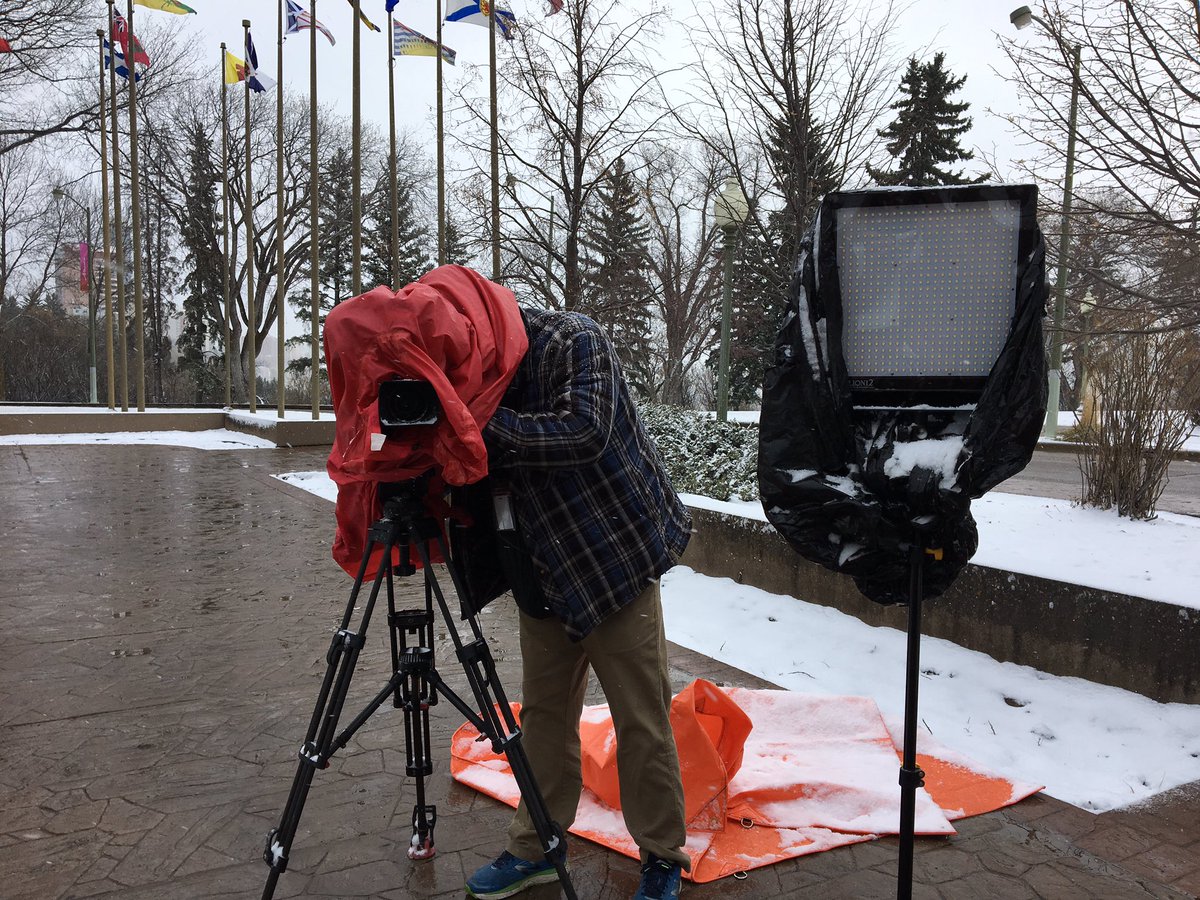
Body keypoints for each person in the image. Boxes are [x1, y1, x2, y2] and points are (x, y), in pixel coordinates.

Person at [465, 304, 692, 900]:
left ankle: (663, 856)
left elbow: (586, 429)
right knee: (542, 721)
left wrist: (478, 427)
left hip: (611, 564)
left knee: (641, 718)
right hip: (540, 574)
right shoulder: (467, 385)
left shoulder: (573, 338)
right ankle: (535, 846)